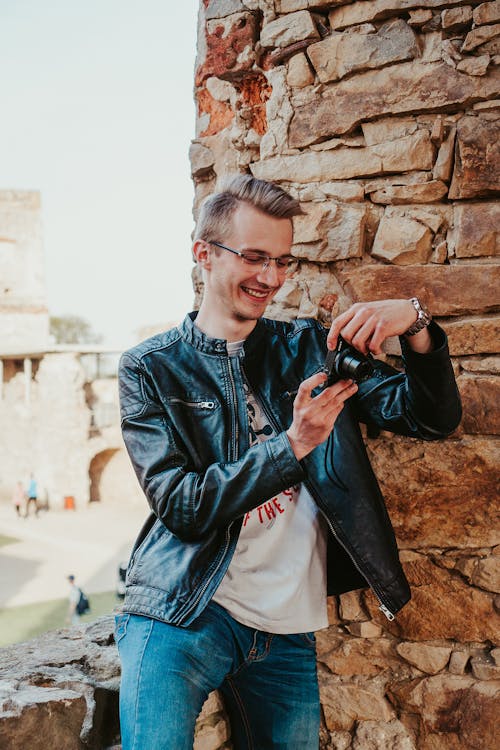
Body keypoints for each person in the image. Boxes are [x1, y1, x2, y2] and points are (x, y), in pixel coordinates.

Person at [116, 175, 461, 750]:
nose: (270, 279)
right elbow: (183, 506)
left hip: (285, 627)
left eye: (282, 261)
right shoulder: (149, 368)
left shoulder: (309, 347)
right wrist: (293, 443)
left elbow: (429, 418)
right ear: (203, 253)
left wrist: (417, 324)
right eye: (254, 258)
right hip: (181, 613)